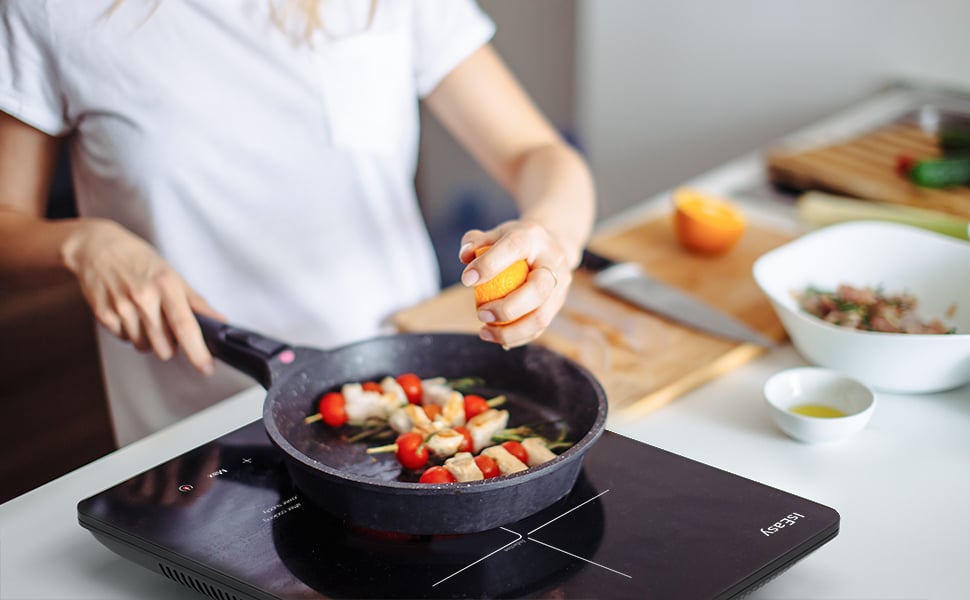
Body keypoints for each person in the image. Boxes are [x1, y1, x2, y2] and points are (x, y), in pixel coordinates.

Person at [0, 0, 595, 447]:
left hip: (412, 407)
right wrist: (82, 241)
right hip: (196, 439)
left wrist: (551, 238)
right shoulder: (53, 12)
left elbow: (537, 154)